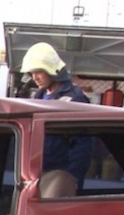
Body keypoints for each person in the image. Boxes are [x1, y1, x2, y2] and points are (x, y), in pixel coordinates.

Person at [21, 42, 93, 188]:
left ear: (53, 70)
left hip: (60, 182)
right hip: (38, 177)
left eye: (39, 72)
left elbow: (83, 147)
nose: (34, 77)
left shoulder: (75, 100)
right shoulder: (39, 97)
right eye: (32, 73)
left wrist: (71, 180)